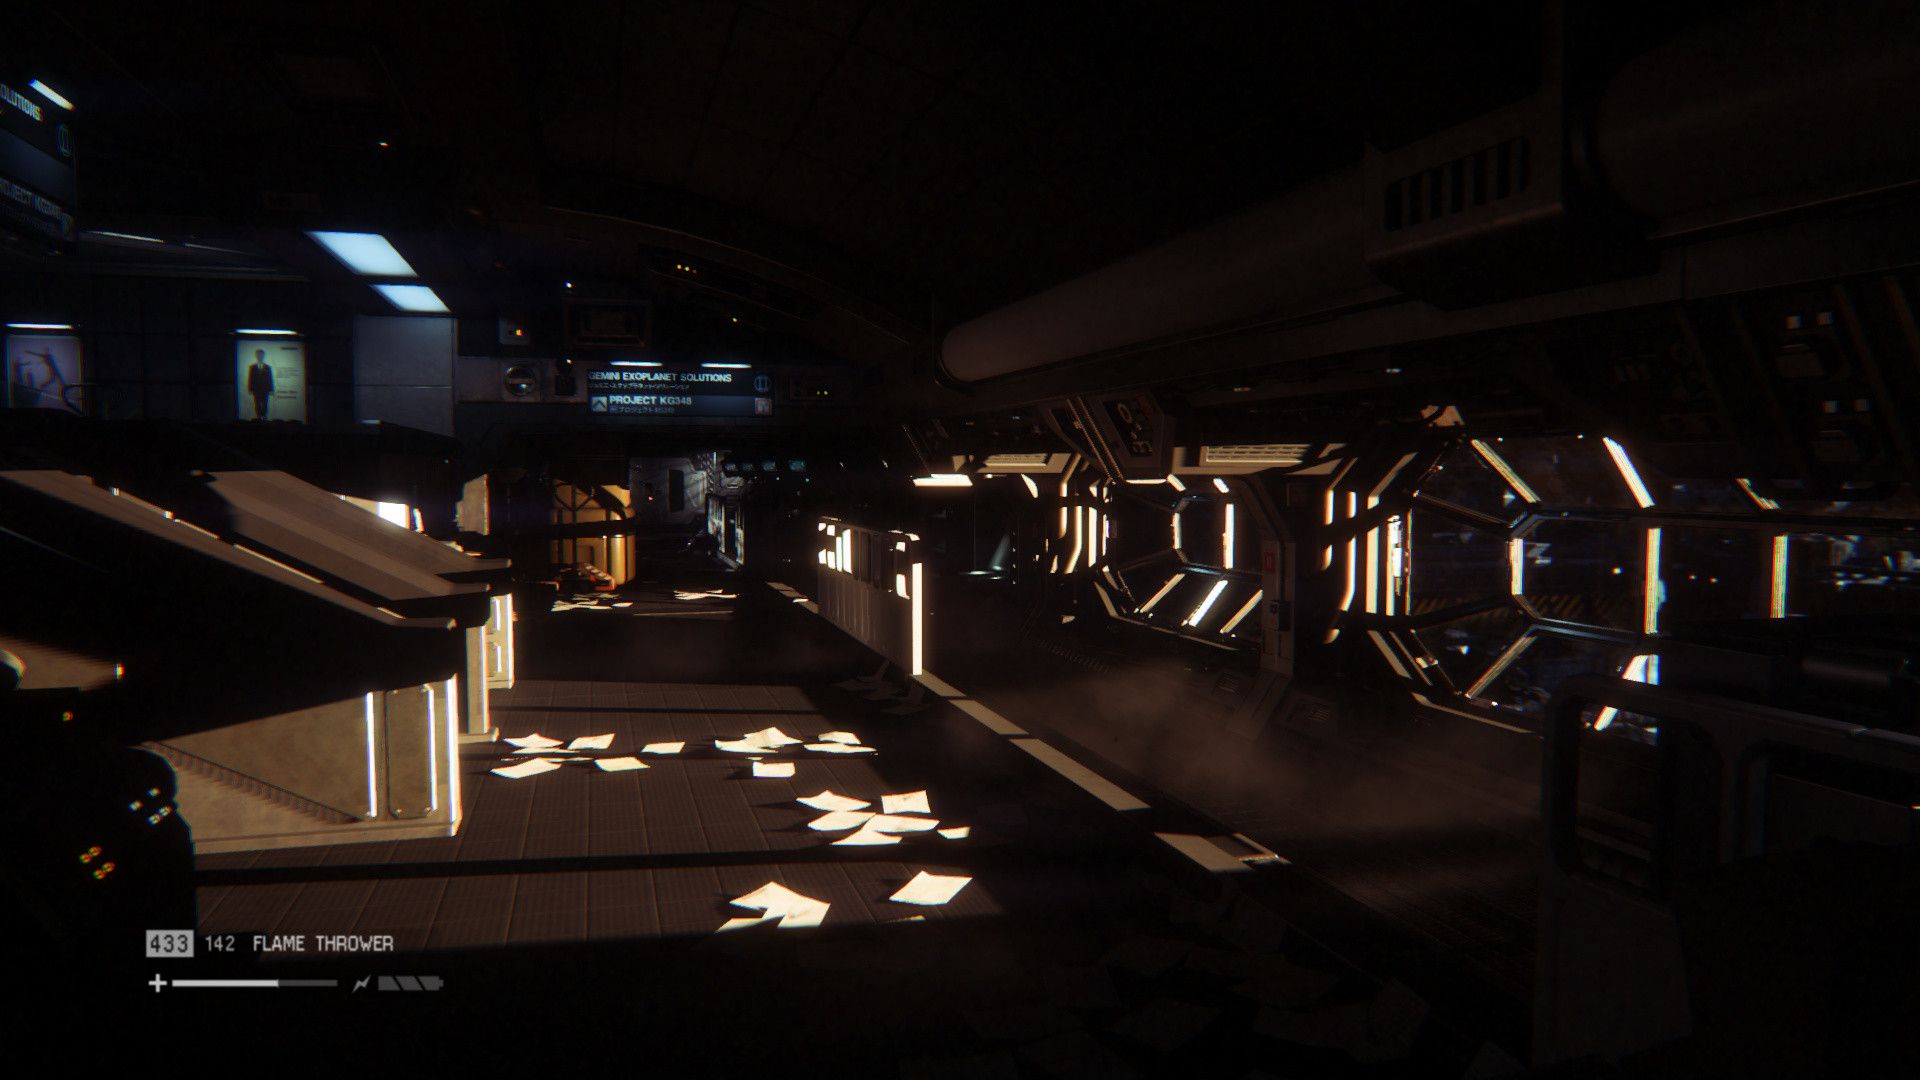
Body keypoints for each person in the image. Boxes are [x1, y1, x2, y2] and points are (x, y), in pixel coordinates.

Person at [246, 349, 274, 419]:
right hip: (256, 389)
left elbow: (270, 379)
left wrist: (271, 389)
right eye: (258, 355)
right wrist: (250, 388)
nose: (259, 356)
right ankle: (258, 417)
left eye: (261, 355)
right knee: (257, 404)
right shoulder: (252, 367)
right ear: (256, 356)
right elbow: (250, 378)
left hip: (265, 389)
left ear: (263, 356)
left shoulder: (268, 367)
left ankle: (264, 416)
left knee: (265, 404)